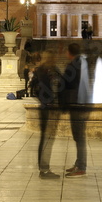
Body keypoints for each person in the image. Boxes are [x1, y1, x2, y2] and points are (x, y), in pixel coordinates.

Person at [59, 43, 90, 178]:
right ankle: (79, 163)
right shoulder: (82, 63)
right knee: (78, 136)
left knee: (79, 136)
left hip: (77, 104)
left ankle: (81, 166)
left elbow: (66, 85)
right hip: (81, 104)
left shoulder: (73, 66)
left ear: (69, 52)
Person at [36, 50, 61, 179]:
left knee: (47, 139)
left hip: (53, 107)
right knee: (45, 139)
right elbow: (35, 88)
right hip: (46, 108)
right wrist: (46, 101)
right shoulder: (41, 71)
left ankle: (45, 168)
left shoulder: (54, 70)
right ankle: (43, 169)